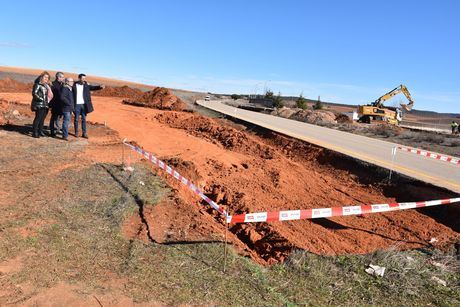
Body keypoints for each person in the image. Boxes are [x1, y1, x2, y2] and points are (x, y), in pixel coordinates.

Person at [73, 73, 105, 138]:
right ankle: (76, 132)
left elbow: (93, 87)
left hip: (84, 105)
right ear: (79, 78)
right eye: (82, 78)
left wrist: (100, 87)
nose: (83, 80)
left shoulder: (86, 85)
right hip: (76, 105)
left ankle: (84, 133)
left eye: (84, 78)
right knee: (76, 119)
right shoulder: (74, 85)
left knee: (84, 119)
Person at [31, 71, 52, 138]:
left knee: (42, 119)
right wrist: (41, 99)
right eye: (45, 77)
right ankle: (34, 132)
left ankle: (40, 131)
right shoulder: (38, 84)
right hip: (39, 104)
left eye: (47, 77)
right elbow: (34, 93)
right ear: (41, 77)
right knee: (38, 118)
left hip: (45, 104)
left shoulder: (46, 85)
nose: (46, 78)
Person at [49, 72, 65, 137]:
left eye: (63, 77)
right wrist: (50, 105)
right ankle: (52, 131)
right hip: (54, 104)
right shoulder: (52, 84)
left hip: (61, 104)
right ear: (58, 77)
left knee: (58, 117)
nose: (63, 78)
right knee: (53, 118)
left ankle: (57, 129)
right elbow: (50, 95)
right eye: (62, 77)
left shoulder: (63, 84)